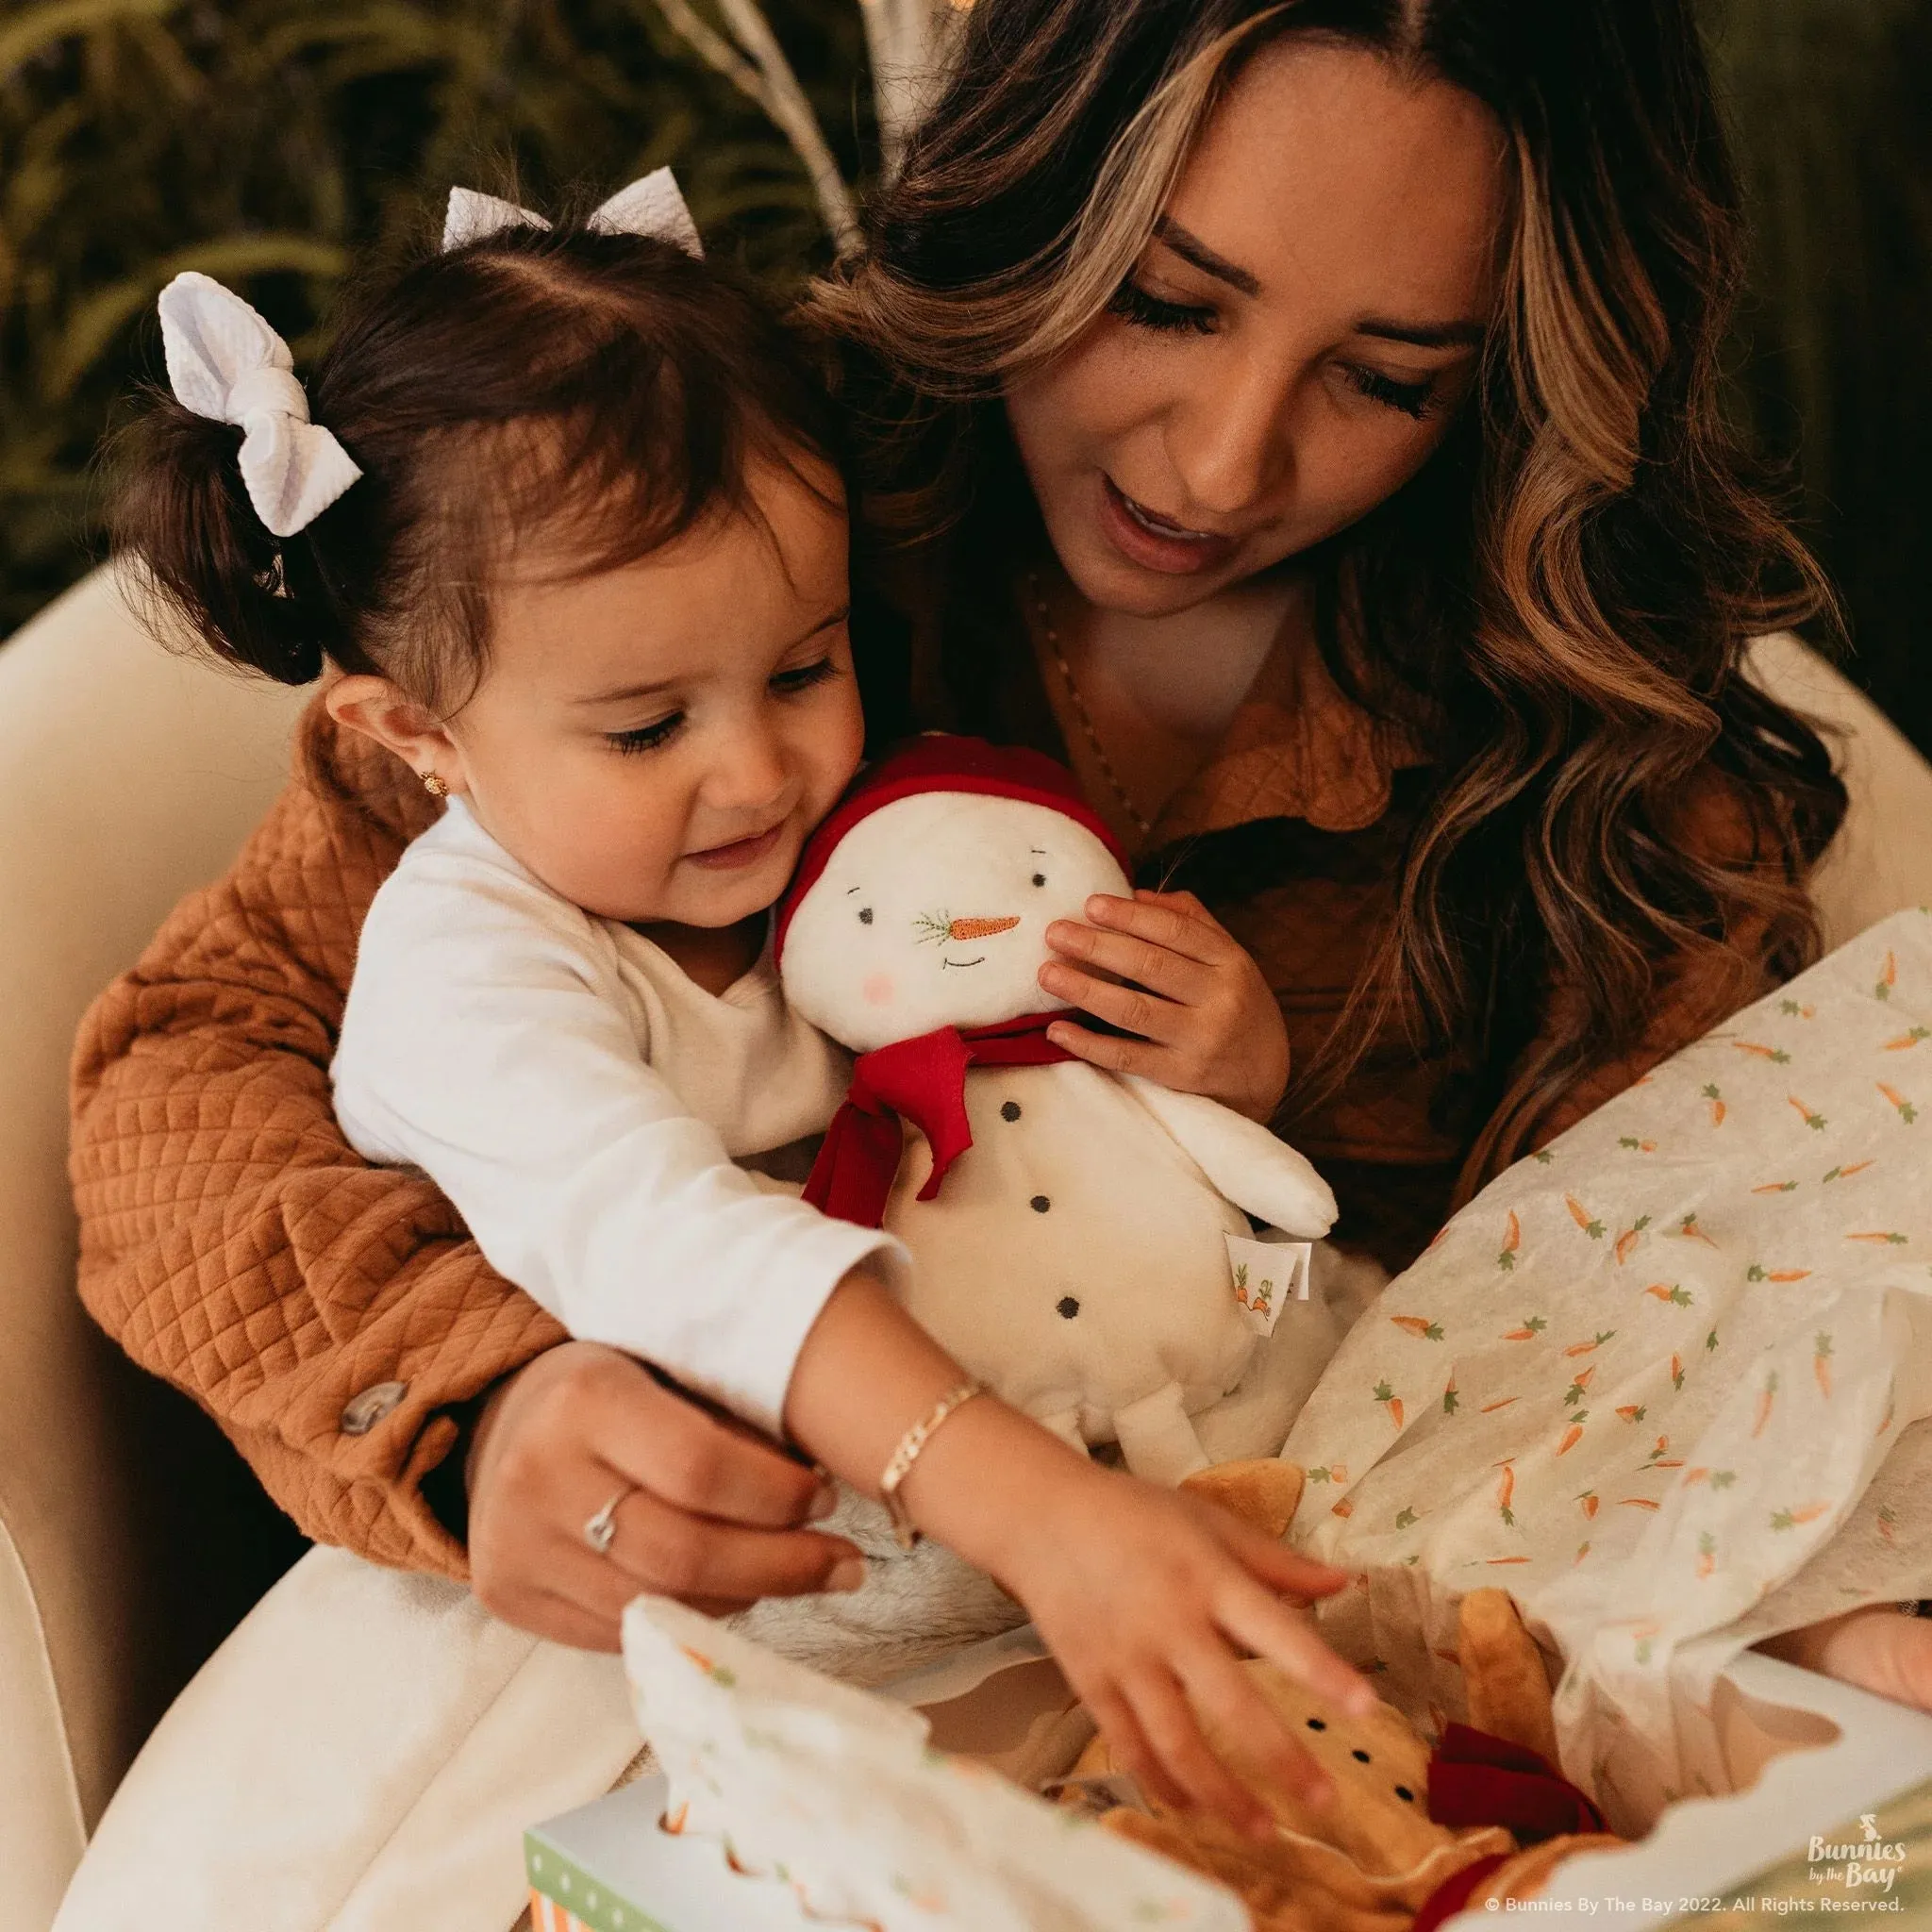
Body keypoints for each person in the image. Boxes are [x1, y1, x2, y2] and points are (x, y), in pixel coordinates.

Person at [69, 0, 1925, 1756]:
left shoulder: (1617, 788)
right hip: (705, 1643)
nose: (1224, 461)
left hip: (1345, 1609)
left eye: (1386, 378)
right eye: (1167, 303)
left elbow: (1647, 1334)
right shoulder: (703, 491)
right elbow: (191, 1070)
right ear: (1035, 192)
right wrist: (472, 1408)